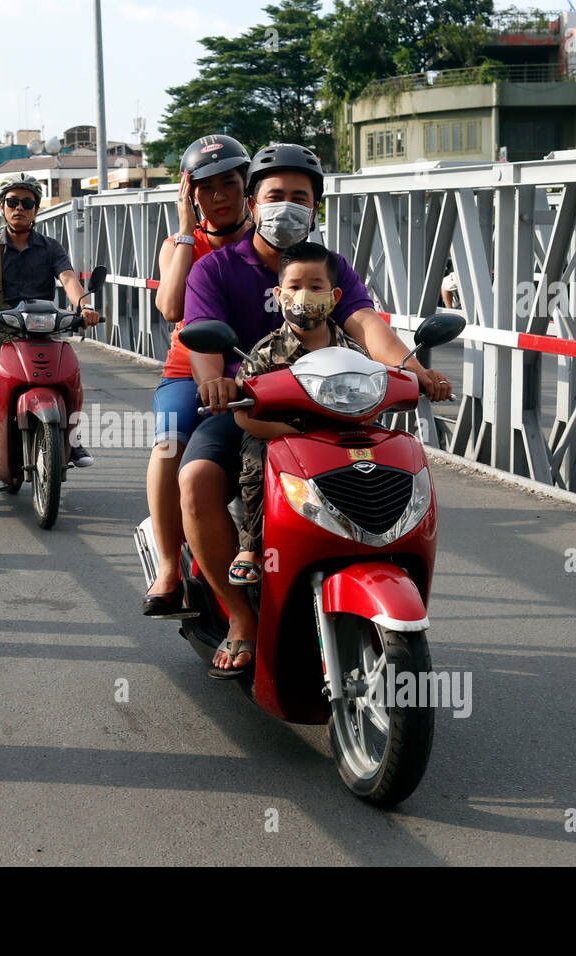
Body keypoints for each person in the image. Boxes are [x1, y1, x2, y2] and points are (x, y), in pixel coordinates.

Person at [180, 143, 453, 678]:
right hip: (251, 410)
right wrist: (215, 385)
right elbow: (204, 350)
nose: (287, 206)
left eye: (299, 197)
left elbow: (367, 325)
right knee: (194, 480)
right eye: (275, 195)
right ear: (253, 203)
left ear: (316, 208)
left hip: (331, 411)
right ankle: (240, 618)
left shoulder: (331, 267)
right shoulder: (214, 269)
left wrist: (413, 370)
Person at [141, 133, 253, 618]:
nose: (220, 196)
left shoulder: (269, 238)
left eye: (229, 183)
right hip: (191, 373)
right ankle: (168, 566)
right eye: (205, 188)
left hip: (259, 368)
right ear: (191, 194)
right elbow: (169, 308)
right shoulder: (181, 244)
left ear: (248, 186)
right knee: (170, 441)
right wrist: (187, 230)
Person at [229, 241, 366, 588]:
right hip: (278, 437)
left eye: (315, 287)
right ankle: (251, 547)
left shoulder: (352, 351)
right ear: (279, 293)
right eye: (295, 287)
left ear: (334, 296)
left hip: (337, 437)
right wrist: (286, 436)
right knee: (259, 462)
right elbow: (244, 415)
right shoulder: (264, 352)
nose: (304, 295)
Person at [0, 173, 100, 474]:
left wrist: (85, 305)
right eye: (12, 202)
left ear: (36, 209)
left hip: (44, 328)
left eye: (27, 202)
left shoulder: (51, 247)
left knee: (71, 371)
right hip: (0, 328)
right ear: (2, 206)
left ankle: (71, 436)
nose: (19, 208)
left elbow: (67, 279)